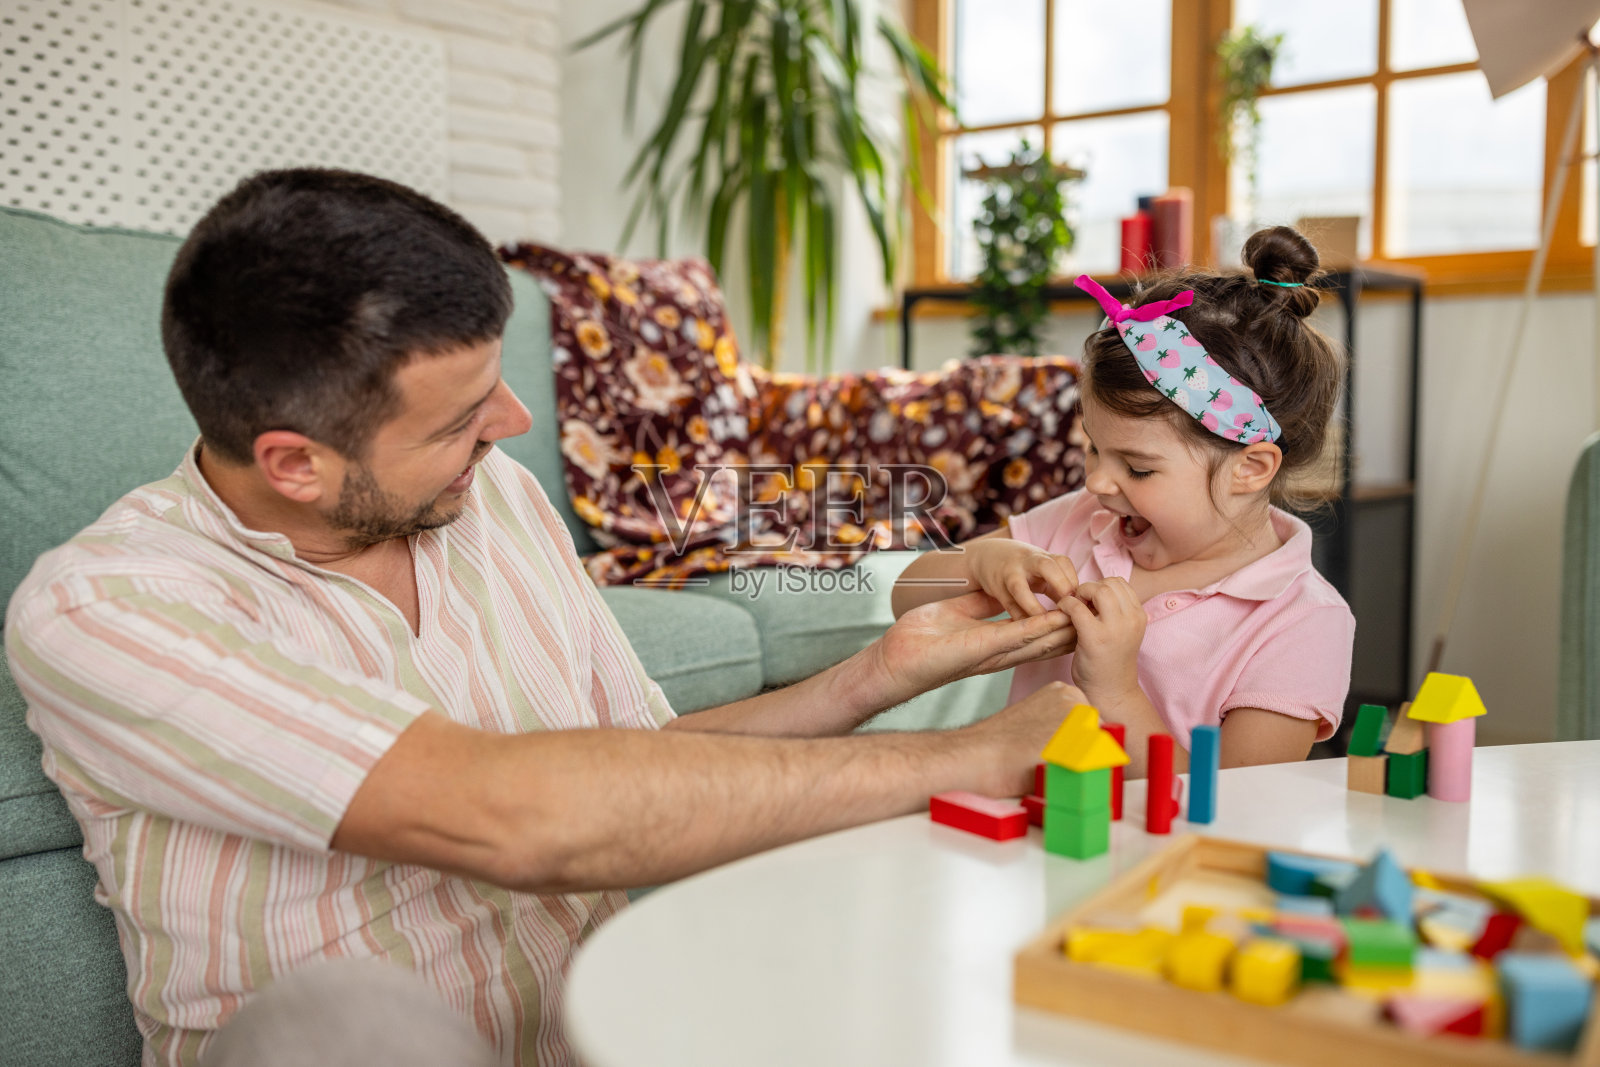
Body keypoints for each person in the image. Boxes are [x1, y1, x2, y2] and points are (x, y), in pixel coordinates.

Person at [3, 169, 1085, 1067]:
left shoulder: (494, 498)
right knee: (341, 1028)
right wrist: (967, 756)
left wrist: (878, 675)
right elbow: (519, 817)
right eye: (468, 417)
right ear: (295, 462)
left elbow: (634, 763)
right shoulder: (109, 607)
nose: (519, 424)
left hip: (601, 1034)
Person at [894, 226, 1355, 776]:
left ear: (1249, 468)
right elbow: (908, 598)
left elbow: (1235, 801)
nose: (1097, 483)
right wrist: (977, 562)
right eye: (1093, 448)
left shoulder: (1302, 623)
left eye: (1137, 467)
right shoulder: (1080, 521)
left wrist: (1115, 692)